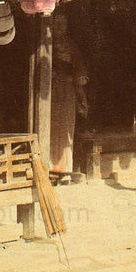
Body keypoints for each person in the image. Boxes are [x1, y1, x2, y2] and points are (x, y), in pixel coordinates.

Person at [50, 12, 88, 184]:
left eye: (62, 23)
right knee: (48, 128)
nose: (59, 27)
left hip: (66, 91)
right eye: (56, 23)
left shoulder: (71, 46)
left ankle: (64, 170)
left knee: (65, 130)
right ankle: (48, 167)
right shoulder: (44, 44)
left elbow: (79, 73)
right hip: (47, 92)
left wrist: (82, 98)